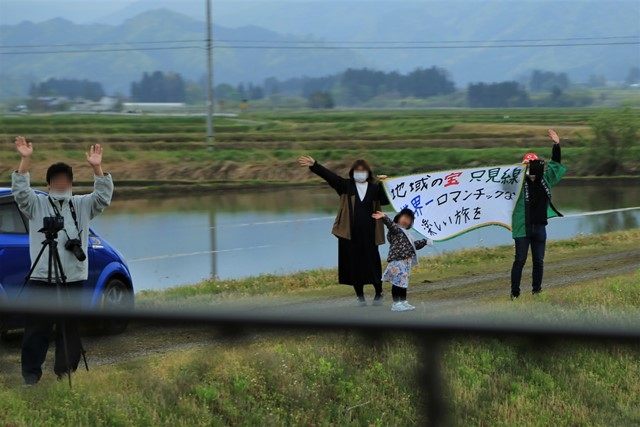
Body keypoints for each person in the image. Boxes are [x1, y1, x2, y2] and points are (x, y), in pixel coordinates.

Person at [11, 136, 114, 385]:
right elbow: (21, 193)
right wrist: (25, 160)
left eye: (64, 181)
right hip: (42, 278)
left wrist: (97, 168)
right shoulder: (36, 204)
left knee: (70, 331)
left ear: (70, 183)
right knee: (36, 331)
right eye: (55, 181)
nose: (60, 184)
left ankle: (65, 373)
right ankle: (31, 378)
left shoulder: (81, 205)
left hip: (73, 278)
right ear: (47, 184)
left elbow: (103, 198)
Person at [298, 155, 389, 306]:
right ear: (352, 172)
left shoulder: (374, 188)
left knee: (372, 264)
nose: (360, 173)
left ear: (368, 172)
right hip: (349, 235)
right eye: (357, 170)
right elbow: (329, 177)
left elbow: (386, 200)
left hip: (370, 235)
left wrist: (385, 183)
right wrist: (315, 165)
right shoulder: (345, 186)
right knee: (354, 267)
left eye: (363, 170)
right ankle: (360, 298)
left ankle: (378, 293)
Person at [510, 129, 566, 299]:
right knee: (520, 260)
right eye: (527, 165)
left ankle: (536, 291)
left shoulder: (546, 179)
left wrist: (556, 145)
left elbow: (555, 165)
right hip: (522, 228)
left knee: (539, 261)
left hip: (540, 227)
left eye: (533, 164)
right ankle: (515, 293)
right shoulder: (516, 183)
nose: (530, 168)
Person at [372, 209, 433, 312]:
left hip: (406, 263)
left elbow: (414, 246)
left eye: (409, 219)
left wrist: (425, 241)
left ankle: (403, 302)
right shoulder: (396, 230)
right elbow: (391, 225)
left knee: (403, 283)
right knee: (397, 283)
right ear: (398, 218)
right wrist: (384, 217)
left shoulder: (407, 234)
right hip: (397, 261)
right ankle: (396, 303)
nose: (406, 220)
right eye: (404, 217)